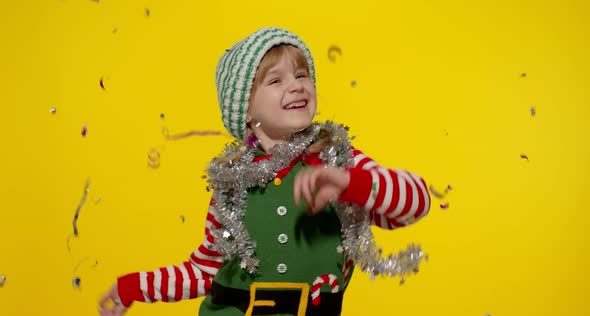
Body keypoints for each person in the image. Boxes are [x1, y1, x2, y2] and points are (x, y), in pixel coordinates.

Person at [99, 27, 431, 316]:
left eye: (302, 75)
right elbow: (206, 269)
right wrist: (134, 287)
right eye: (276, 80)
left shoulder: (336, 158)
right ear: (245, 108)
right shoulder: (233, 183)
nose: (297, 86)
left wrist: (350, 183)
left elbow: (416, 202)